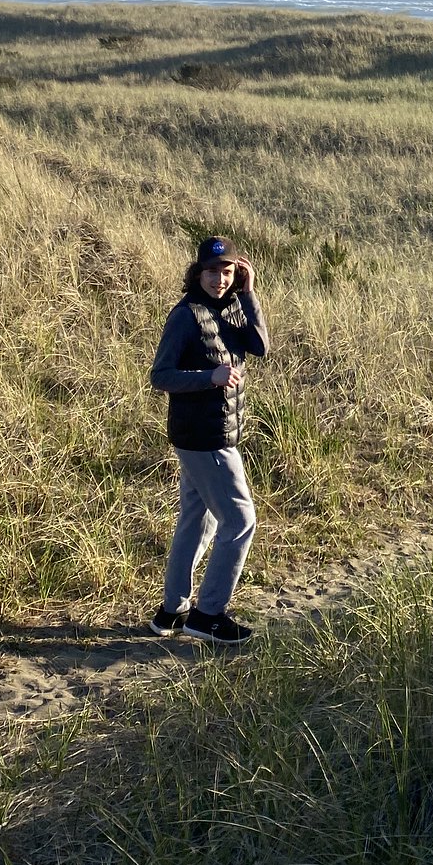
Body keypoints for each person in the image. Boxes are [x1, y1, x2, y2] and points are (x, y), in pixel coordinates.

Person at [147, 236, 268, 645]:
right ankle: (208, 614)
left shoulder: (233, 308)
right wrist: (208, 378)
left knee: (198, 522)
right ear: (198, 272)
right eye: (212, 271)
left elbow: (260, 346)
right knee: (240, 521)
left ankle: (172, 611)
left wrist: (249, 295)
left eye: (228, 272)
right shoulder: (185, 316)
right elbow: (160, 376)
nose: (219, 279)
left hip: (213, 434)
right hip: (204, 436)